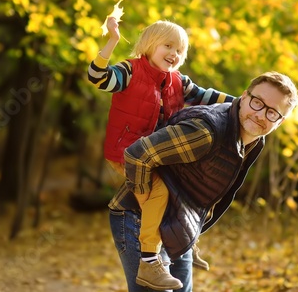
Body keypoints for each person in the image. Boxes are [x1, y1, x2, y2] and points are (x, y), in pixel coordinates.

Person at [109, 71, 298, 291]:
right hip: (139, 218)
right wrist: (146, 200)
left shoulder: (254, 141)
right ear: (244, 97)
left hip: (177, 224)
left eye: (272, 113)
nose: (261, 115)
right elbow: (137, 155)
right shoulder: (206, 132)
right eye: (257, 103)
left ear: (281, 121)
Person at [88, 17, 234, 290]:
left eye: (180, 50)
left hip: (157, 154)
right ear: (149, 45)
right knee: (160, 192)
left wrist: (242, 104)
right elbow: (98, 77)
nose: (174, 54)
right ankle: (149, 261)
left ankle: (185, 239)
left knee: (185, 185)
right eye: (168, 45)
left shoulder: (178, 81)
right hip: (126, 152)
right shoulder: (130, 71)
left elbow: (208, 97)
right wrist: (112, 41)